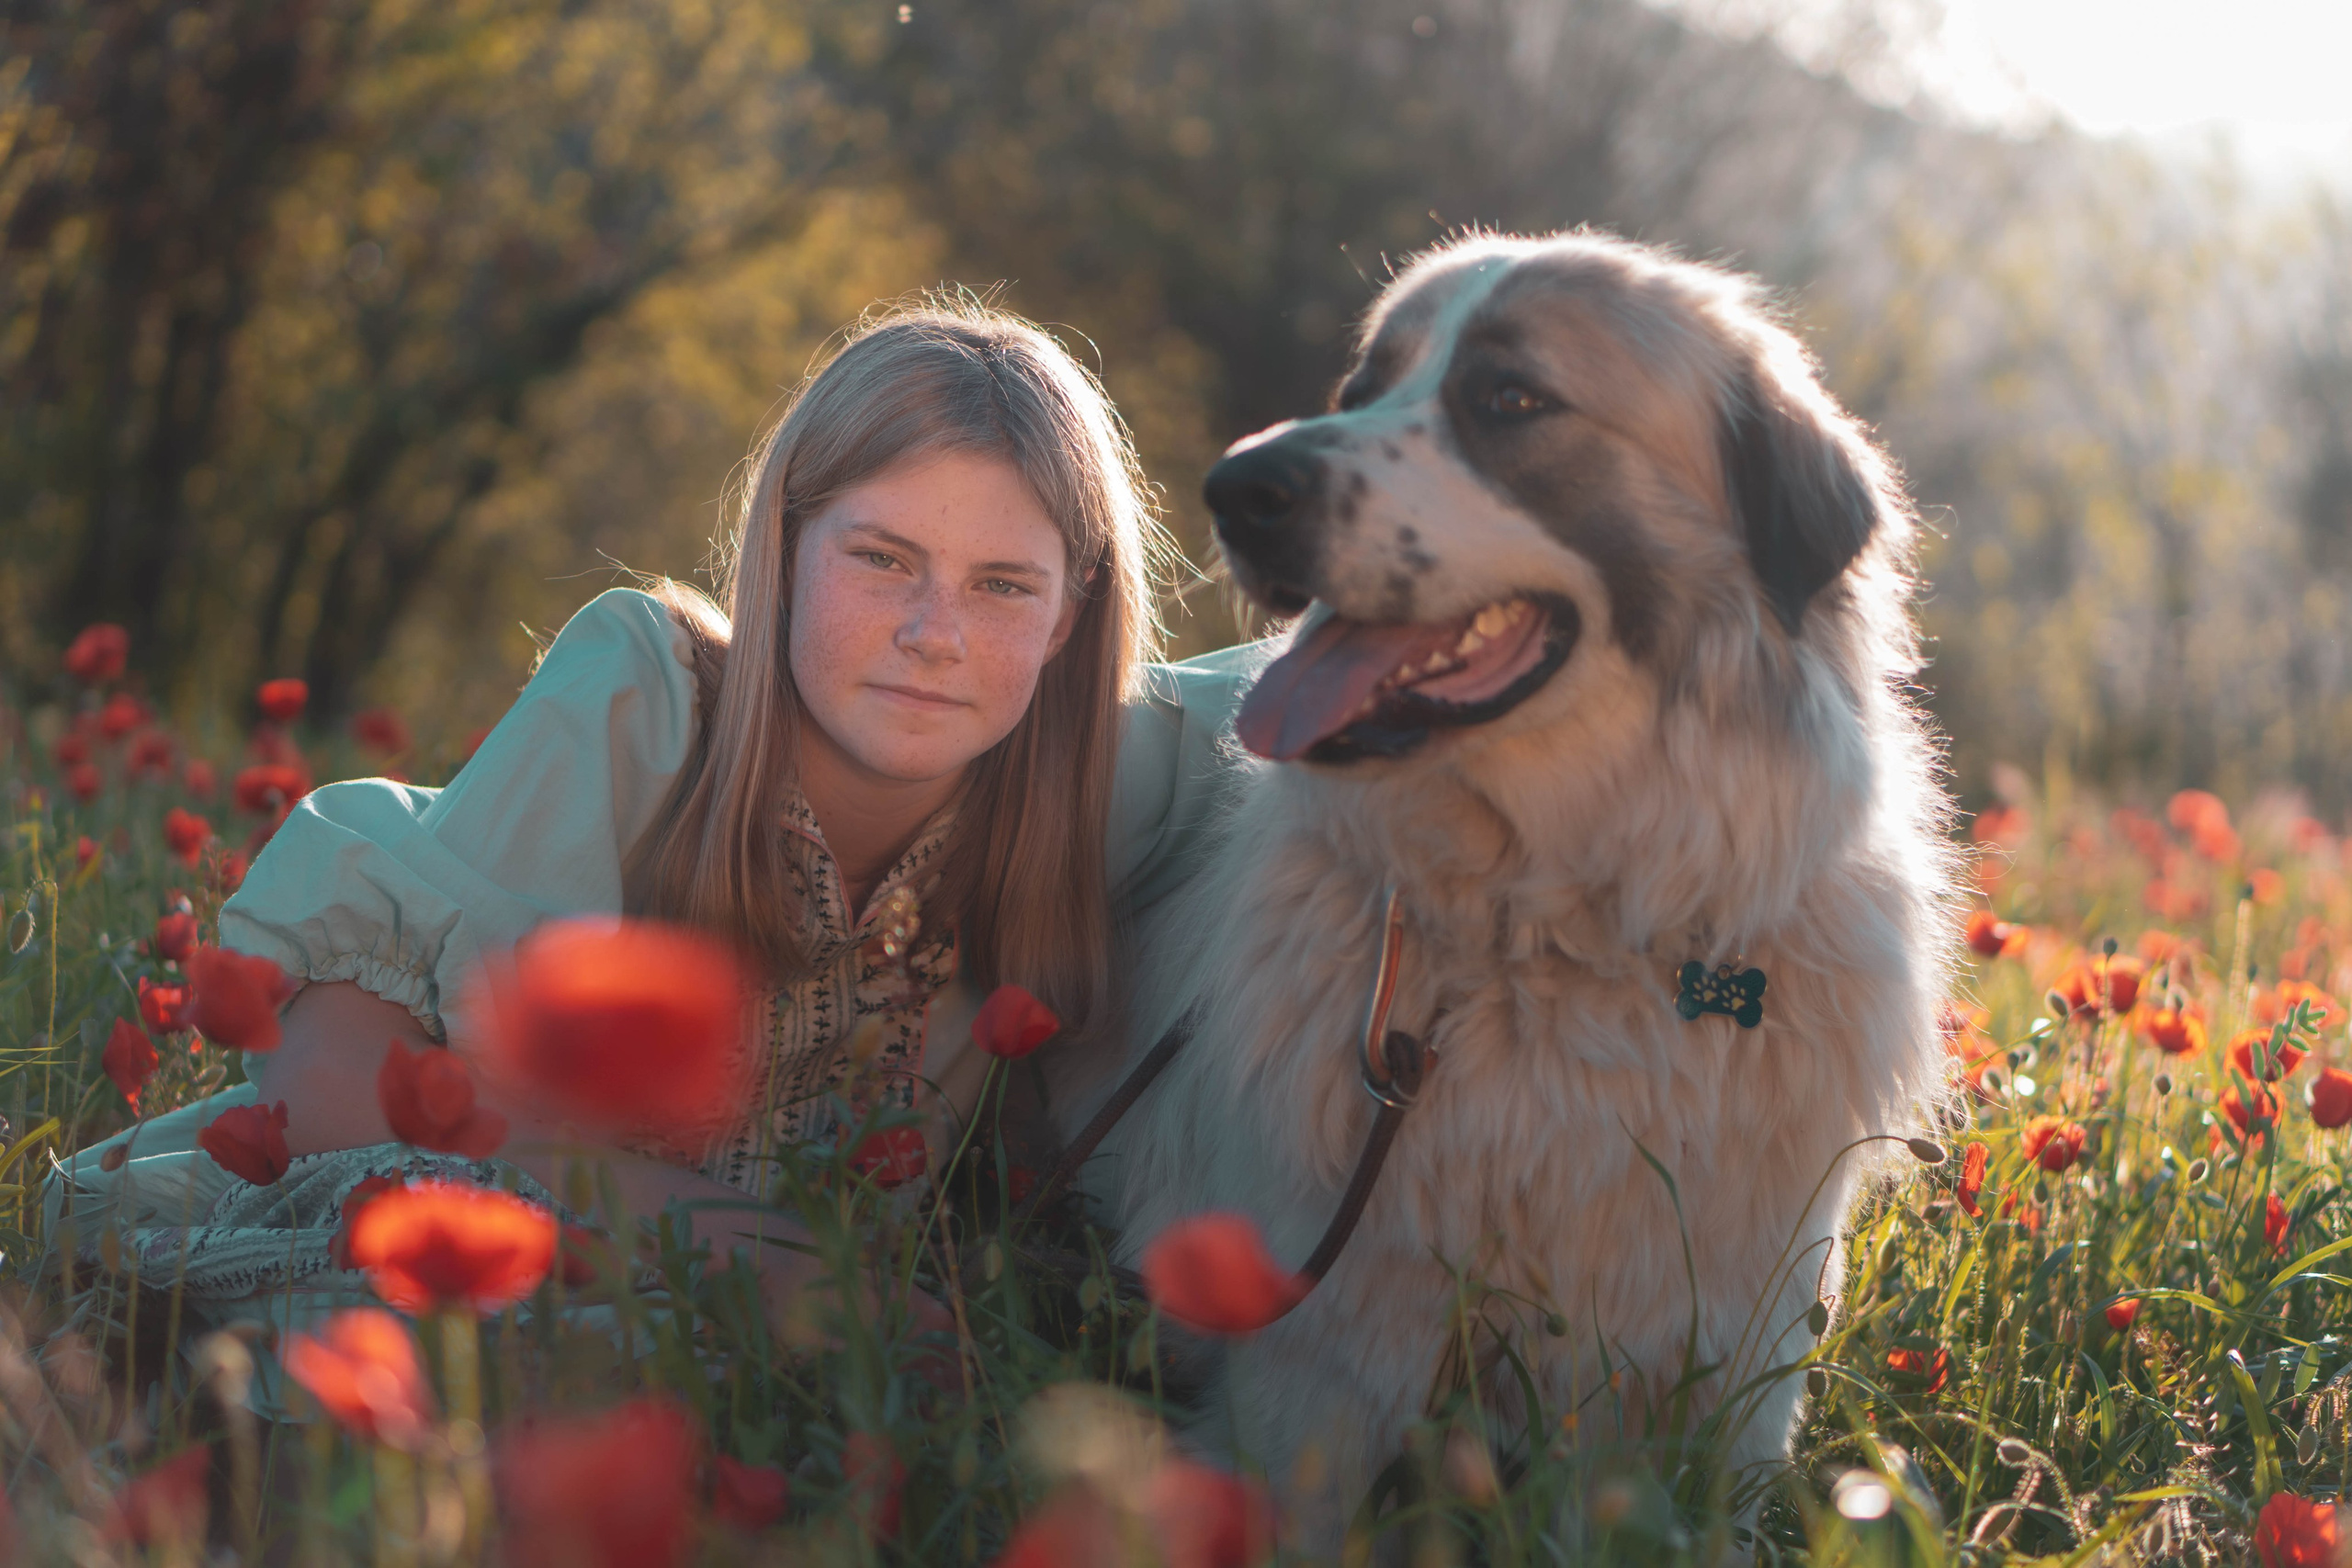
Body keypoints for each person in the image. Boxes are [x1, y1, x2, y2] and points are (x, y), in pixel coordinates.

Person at [49, 299, 1256, 1365]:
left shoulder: (1106, 785)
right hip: (439, 1247)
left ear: (1070, 614)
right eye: (883, 559)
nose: (934, 633)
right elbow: (323, 1086)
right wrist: (753, 1252)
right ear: (786, 550)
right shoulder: (648, 702)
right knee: (544, 1350)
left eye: (1002, 585)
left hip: (785, 1350)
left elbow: (1307, 682)